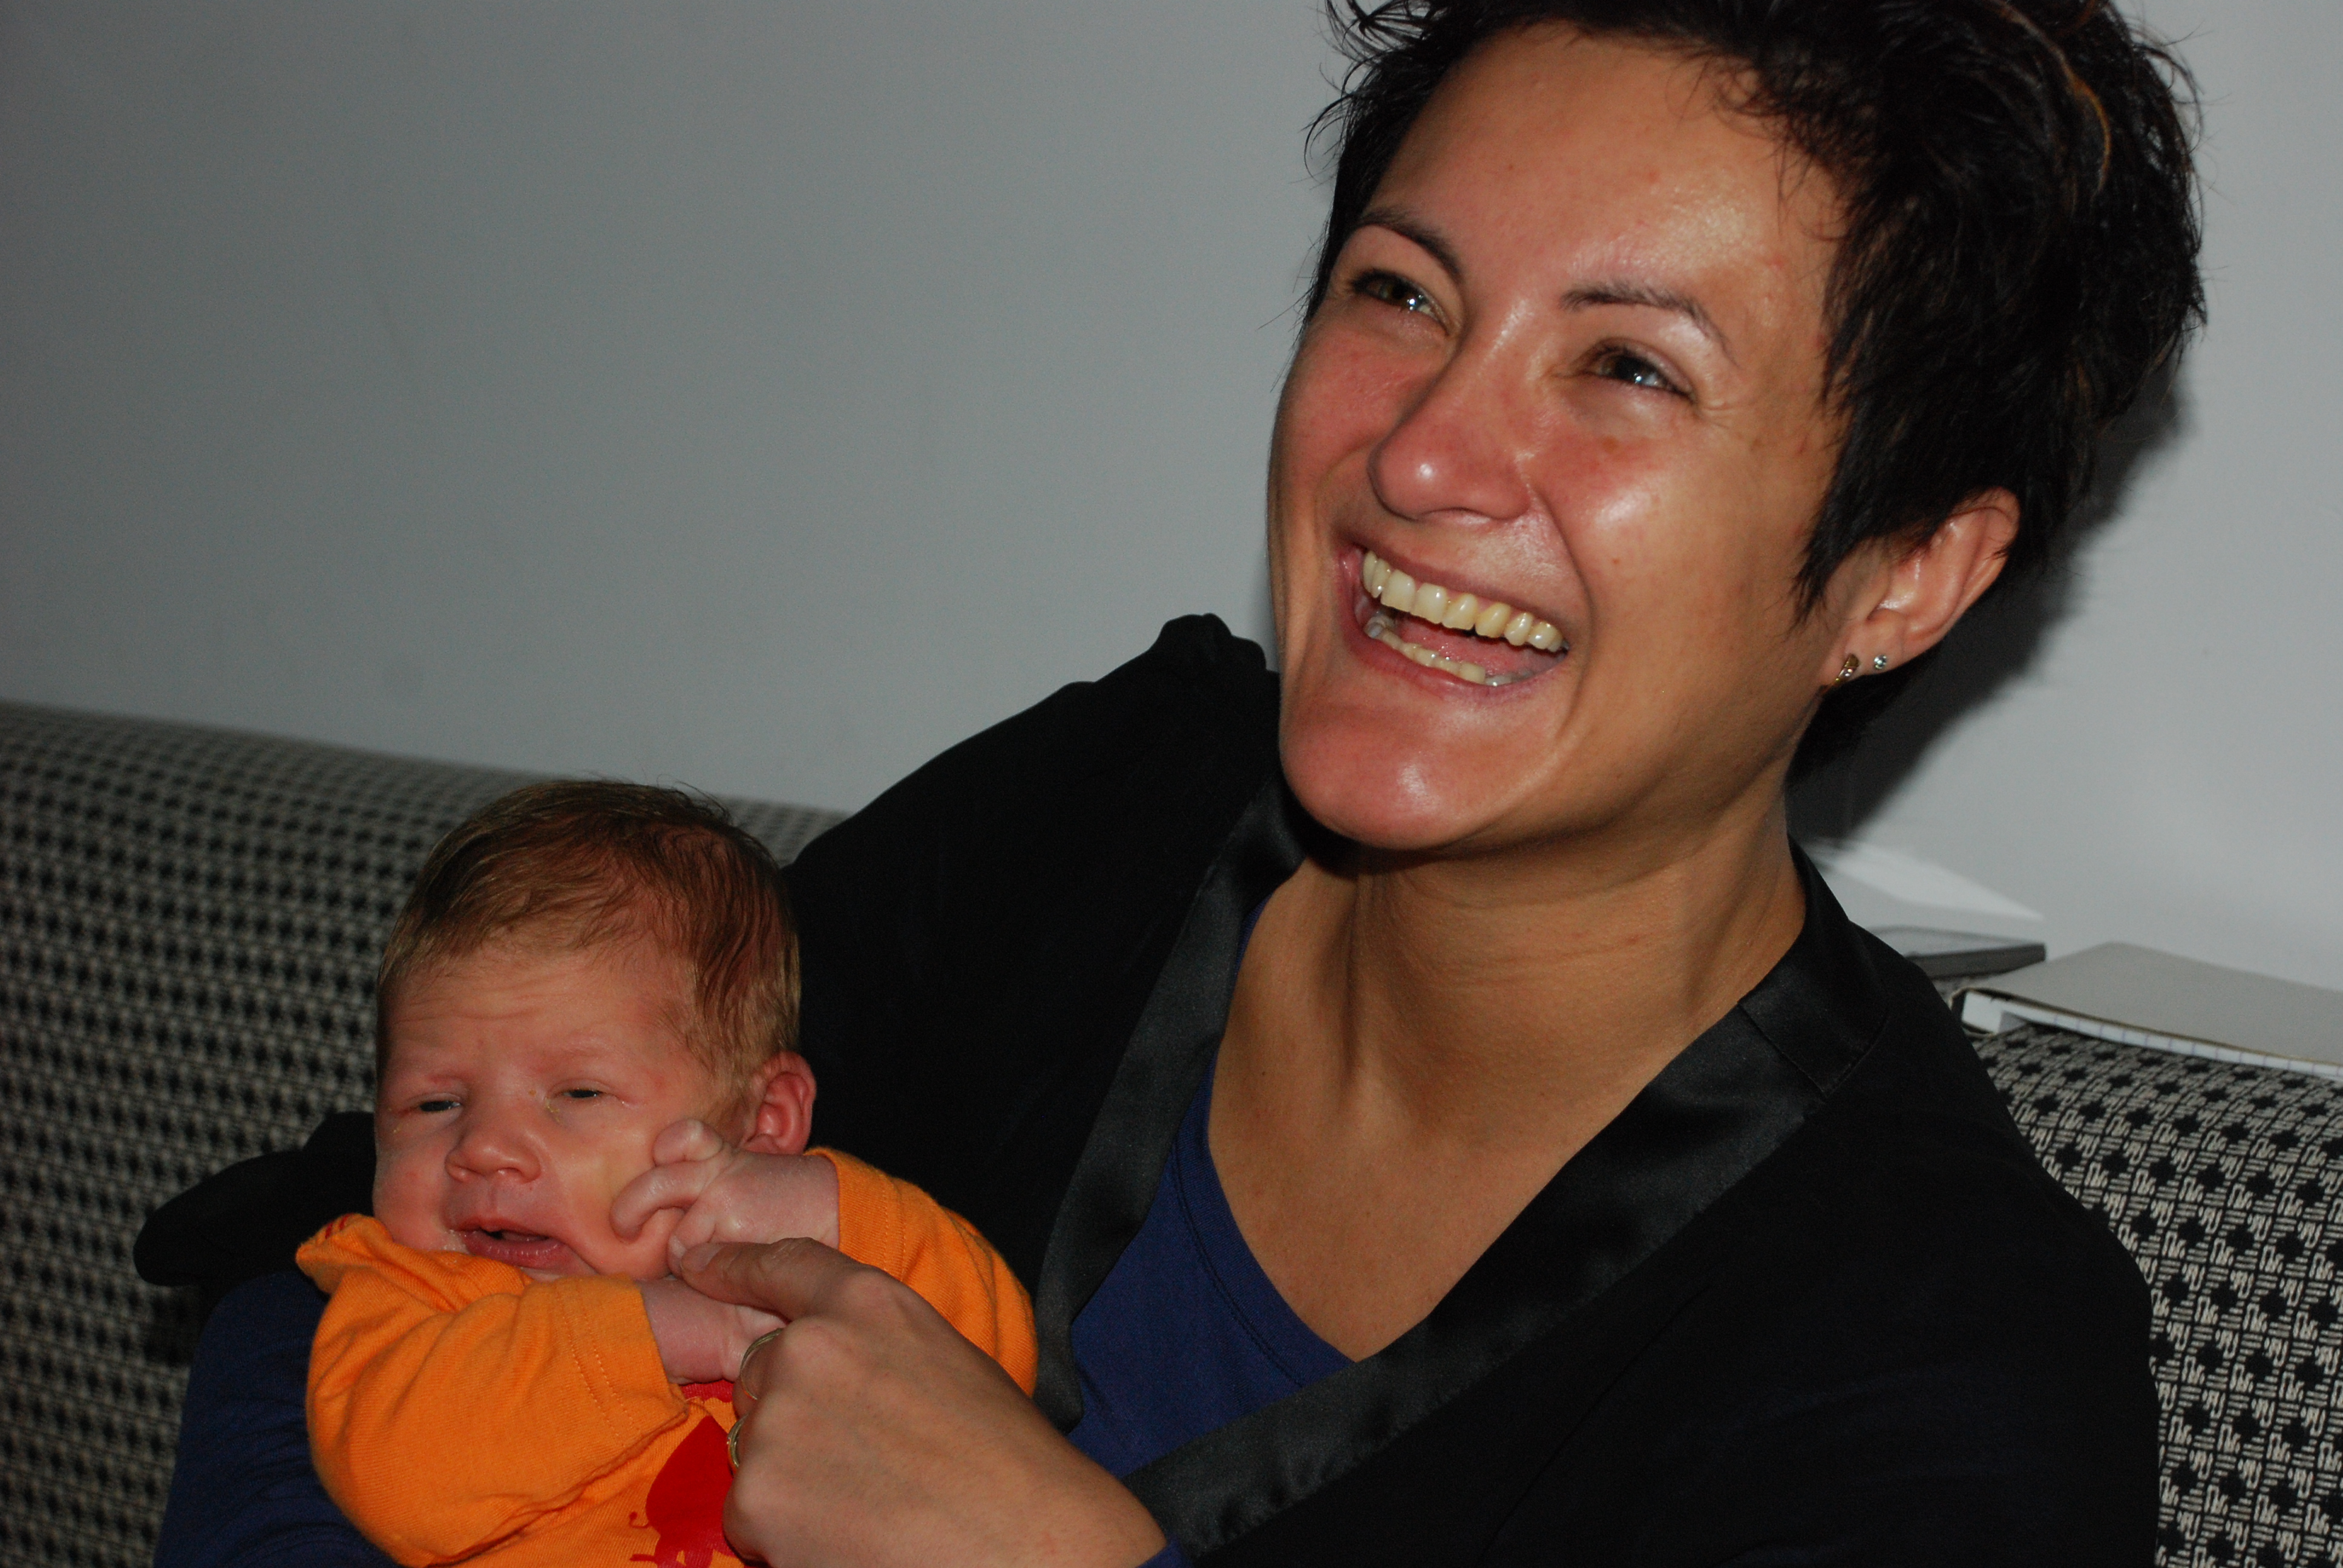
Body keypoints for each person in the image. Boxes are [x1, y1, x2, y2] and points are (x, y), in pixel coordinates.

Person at [148, 2, 2204, 1564]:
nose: (1420, 453)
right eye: (1400, 293)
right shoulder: (1107, 813)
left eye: (1628, 367)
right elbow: (328, 1252)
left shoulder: (1935, 1355)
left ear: (1907, 571)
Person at [298, 782, 1035, 1566]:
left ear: (763, 1122)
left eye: (579, 1094)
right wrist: (679, 1331)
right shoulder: (408, 1296)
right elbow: (401, 1482)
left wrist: (826, 1206)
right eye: (434, 1104)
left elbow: (991, 1374)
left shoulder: (813, 1257)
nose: (482, 1148)